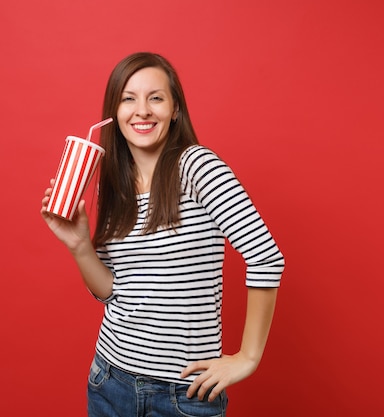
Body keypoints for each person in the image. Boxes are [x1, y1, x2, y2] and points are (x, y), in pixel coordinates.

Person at [41, 52, 285, 417]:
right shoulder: (115, 183)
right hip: (110, 379)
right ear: (114, 111)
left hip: (182, 394)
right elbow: (113, 291)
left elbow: (266, 257)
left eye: (155, 97)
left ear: (175, 110)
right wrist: (78, 245)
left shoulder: (196, 166)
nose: (142, 110)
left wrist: (248, 357)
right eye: (129, 98)